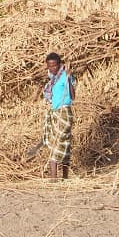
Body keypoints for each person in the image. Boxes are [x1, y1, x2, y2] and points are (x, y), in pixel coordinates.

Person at [37, 52, 75, 180]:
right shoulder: (53, 78)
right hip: (55, 113)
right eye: (49, 66)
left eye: (54, 65)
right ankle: (64, 178)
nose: (52, 68)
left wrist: (69, 79)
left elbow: (73, 96)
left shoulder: (65, 76)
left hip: (64, 113)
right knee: (64, 143)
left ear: (59, 65)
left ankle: (53, 179)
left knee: (58, 142)